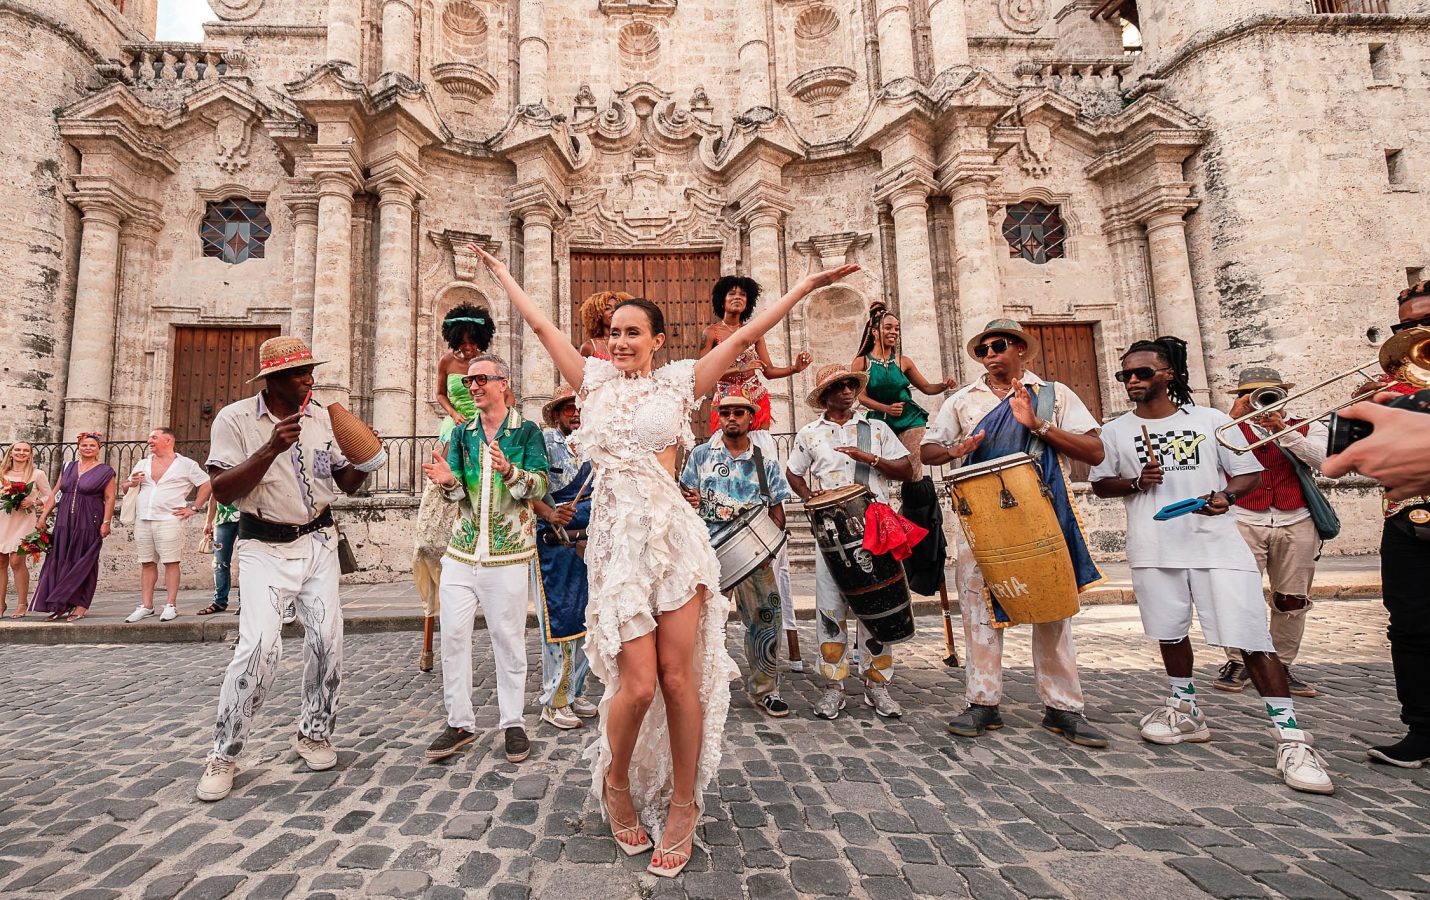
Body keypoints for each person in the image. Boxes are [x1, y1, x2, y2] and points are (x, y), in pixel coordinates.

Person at [472, 240, 856, 878]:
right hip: (618, 549)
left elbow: (750, 334)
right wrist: (500, 273)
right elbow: (540, 324)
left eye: (632, 333)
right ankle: (615, 781)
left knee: (681, 682)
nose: (619, 341)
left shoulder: (682, 382)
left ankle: (683, 804)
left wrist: (809, 283)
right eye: (613, 332)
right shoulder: (590, 381)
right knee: (639, 685)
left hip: (677, 543)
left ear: (656, 340)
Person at [1089, 336, 1333, 795]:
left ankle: (1292, 738)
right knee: (1170, 631)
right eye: (1125, 375)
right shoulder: (1116, 430)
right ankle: (1184, 709)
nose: (1132, 381)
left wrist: (1226, 497)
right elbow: (1101, 485)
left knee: (1252, 637)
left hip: (1216, 546)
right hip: (1154, 546)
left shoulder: (1213, 421)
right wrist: (1135, 482)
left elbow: (1248, 472)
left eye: (1142, 373)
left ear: (1170, 375)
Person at [195, 337, 371, 802]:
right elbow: (224, 491)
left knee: (328, 642)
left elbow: (344, 483)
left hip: (318, 541)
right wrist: (270, 448)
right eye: (299, 373)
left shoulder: (321, 419)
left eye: (310, 370)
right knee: (258, 649)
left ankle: (314, 731)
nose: (309, 378)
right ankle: (225, 751)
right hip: (263, 546)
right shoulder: (234, 420)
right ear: (272, 381)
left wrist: (365, 461)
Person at [920, 319, 1109, 747]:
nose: (989, 352)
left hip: (1041, 513)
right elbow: (928, 451)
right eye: (983, 348)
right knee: (977, 609)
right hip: (980, 519)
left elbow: (1095, 450)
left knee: (1052, 608)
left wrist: (1036, 424)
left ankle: (1063, 708)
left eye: (999, 344)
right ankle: (982, 701)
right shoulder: (962, 401)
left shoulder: (1053, 395)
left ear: (1020, 348)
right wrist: (955, 450)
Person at [1322, 280, 1430, 767]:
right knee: (1409, 628)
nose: (1416, 334)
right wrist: (1362, 410)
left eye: (1425, 324)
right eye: (1406, 326)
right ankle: (1424, 730)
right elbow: (1342, 458)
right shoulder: (1394, 390)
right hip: (1409, 520)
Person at [421, 354, 549, 763]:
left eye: (480, 380)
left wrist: (512, 473)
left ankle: (512, 723)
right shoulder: (463, 435)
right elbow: (459, 493)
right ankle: (459, 722)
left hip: (508, 553)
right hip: (461, 551)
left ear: (502, 383)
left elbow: (541, 484)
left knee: (507, 640)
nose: (471, 386)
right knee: (454, 637)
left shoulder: (526, 432)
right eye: (468, 381)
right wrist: (448, 482)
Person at [786, 363, 914, 721]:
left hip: (875, 528)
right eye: (839, 386)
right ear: (825, 396)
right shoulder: (810, 434)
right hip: (832, 535)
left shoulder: (876, 429)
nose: (847, 390)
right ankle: (833, 685)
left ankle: (877, 684)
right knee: (830, 608)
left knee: (879, 605)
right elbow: (792, 473)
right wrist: (811, 498)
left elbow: (907, 469)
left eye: (850, 385)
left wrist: (870, 458)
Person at [698, 276, 813, 675]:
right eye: (731, 294)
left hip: (755, 404)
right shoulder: (713, 333)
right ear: (721, 299)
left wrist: (793, 369)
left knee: (760, 465)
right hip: (727, 403)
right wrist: (734, 363)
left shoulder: (754, 331)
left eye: (743, 296)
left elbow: (769, 369)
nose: (736, 298)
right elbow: (704, 371)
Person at [1212, 367, 1329, 698]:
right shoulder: (1227, 428)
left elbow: (1322, 462)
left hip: (1297, 518)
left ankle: (1283, 664)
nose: (1262, 401)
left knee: (1292, 597)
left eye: (1269, 393)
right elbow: (1207, 456)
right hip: (1245, 517)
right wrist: (1229, 420)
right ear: (1241, 399)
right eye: (1253, 395)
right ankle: (1237, 661)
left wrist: (1283, 430)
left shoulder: (1308, 424)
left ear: (1284, 394)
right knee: (1238, 594)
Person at [680, 391, 795, 718]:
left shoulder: (765, 461)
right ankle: (701, 688)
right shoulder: (701, 456)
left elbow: (777, 511)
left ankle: (764, 690)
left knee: (768, 619)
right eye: (726, 412)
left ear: (750, 419)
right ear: (719, 417)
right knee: (704, 624)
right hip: (707, 553)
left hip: (753, 556)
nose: (732, 418)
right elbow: (684, 499)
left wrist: (770, 549)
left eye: (739, 413)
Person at [415, 307, 497, 654]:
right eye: (461, 343)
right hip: (454, 427)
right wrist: (453, 414)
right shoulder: (446, 362)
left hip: (482, 424)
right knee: (444, 473)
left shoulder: (489, 365)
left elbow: (501, 399)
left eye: (472, 343)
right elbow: (441, 395)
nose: (466, 349)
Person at [531, 385, 599, 730]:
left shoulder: (594, 447)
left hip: (589, 543)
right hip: (554, 546)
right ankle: (554, 701)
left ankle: (574, 691)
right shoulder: (543, 442)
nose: (575, 413)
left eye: (580, 407)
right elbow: (527, 488)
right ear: (556, 414)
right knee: (559, 623)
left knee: (587, 621)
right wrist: (549, 512)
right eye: (567, 408)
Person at [852, 301, 957, 481]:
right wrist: (886, 409)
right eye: (888, 327)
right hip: (880, 420)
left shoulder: (904, 361)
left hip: (910, 419)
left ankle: (917, 506)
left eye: (897, 328)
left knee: (914, 471)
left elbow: (926, 388)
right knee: (881, 470)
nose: (894, 332)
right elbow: (861, 398)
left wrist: (942, 385)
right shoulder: (862, 362)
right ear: (875, 332)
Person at [120, 427, 211, 624]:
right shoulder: (143, 463)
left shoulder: (186, 464)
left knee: (171, 561)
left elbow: (206, 483)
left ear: (168, 440)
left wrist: (194, 508)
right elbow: (125, 486)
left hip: (169, 519)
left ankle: (170, 604)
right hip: (143, 518)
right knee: (146, 562)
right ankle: (146, 605)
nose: (149, 441)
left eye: (153, 437)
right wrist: (132, 482)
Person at [31, 433, 115, 622]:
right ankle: (60, 603)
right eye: (84, 445)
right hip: (64, 522)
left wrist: (106, 522)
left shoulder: (106, 471)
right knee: (60, 559)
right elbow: (54, 493)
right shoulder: (68, 466)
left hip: (89, 521)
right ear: (79, 447)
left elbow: (109, 498)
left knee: (84, 562)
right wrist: (43, 516)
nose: (87, 448)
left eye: (92, 445)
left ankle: (81, 606)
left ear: (98, 448)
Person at [0, 441, 51, 617]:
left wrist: (33, 502)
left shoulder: (37, 474)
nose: (21, 453)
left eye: (25, 451)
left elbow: (49, 496)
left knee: (16, 561)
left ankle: (22, 604)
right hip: (2, 520)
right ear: (11, 452)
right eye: (18, 450)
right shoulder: (1, 473)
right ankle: (0, 605)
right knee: (0, 562)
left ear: (30, 455)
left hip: (24, 521)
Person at [199, 497, 240, 615]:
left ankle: (245, 602)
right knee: (219, 563)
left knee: (246, 563)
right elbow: (214, 495)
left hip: (247, 519)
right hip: (222, 520)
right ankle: (219, 602)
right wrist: (208, 521)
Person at [579, 291, 631, 360]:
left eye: (617, 307)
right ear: (597, 315)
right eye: (607, 308)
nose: (613, 311)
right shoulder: (589, 346)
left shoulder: (632, 341)